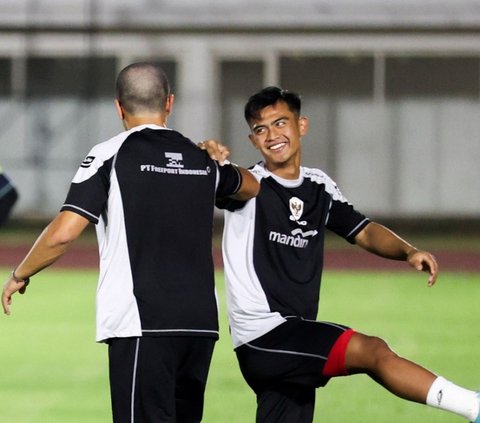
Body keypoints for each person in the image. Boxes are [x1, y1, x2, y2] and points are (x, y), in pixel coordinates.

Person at [2, 62, 259, 423]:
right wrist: (219, 155)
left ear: (118, 106)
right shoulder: (201, 159)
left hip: (142, 324)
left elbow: (65, 232)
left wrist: (20, 273)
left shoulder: (110, 154)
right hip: (200, 325)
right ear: (169, 103)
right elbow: (251, 186)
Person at [216, 86, 479, 423]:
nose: (272, 135)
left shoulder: (318, 186)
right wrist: (210, 156)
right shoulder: (252, 185)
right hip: (264, 337)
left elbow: (363, 230)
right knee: (372, 351)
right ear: (253, 140)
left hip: (294, 340)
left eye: (280, 123)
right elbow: (231, 181)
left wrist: (408, 251)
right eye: (261, 129)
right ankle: (473, 406)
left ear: (301, 125)